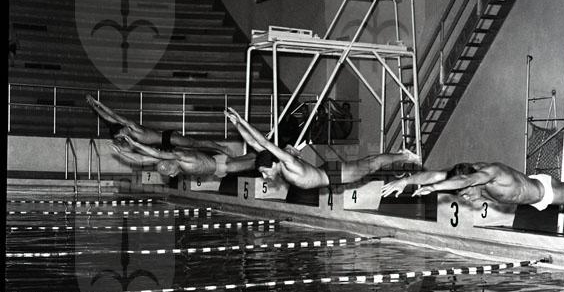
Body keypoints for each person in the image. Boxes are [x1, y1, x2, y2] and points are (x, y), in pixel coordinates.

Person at [225, 106, 421, 190]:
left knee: (372, 164)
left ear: (274, 163)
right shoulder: (276, 162)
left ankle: (405, 156)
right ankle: (402, 157)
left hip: (332, 176)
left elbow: (265, 142)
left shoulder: (288, 162)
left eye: (265, 172)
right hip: (327, 172)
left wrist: (243, 120)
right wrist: (237, 125)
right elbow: (254, 144)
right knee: (369, 163)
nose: (265, 176)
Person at [380, 161, 564, 213]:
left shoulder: (490, 173)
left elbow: (465, 182)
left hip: (546, 192)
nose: (467, 197)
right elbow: (436, 174)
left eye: (467, 192)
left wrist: (434, 189)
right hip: (531, 193)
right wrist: (406, 180)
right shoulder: (469, 172)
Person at [86, 94, 234, 156]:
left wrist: (99, 103)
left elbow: (113, 116)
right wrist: (93, 107)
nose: (121, 138)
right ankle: (218, 152)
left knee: (196, 144)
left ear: (122, 130)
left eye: (120, 136)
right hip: (163, 144)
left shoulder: (132, 127)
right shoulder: (127, 133)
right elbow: (108, 119)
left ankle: (221, 148)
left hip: (168, 138)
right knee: (193, 151)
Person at [114, 135, 256, 178]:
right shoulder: (171, 161)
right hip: (217, 167)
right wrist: (122, 153)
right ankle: (260, 149)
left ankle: (265, 146)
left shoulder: (180, 156)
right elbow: (142, 159)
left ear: (171, 165)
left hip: (222, 165)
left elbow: (157, 153)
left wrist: (136, 144)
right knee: (252, 158)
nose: (172, 176)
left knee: (255, 163)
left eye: (169, 173)